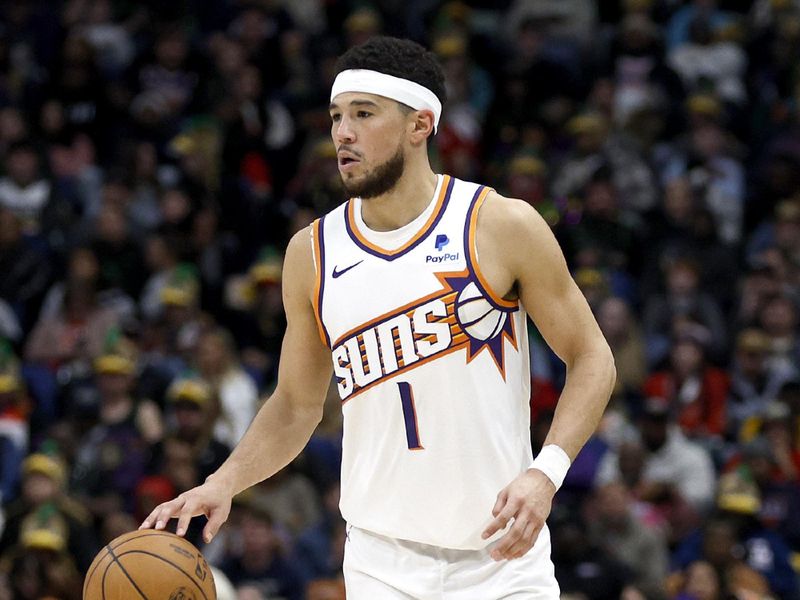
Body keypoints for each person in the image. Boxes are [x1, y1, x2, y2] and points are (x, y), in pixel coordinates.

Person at [140, 36, 615, 598]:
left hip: (503, 561)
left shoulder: (498, 225)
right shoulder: (312, 254)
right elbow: (296, 405)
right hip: (379, 565)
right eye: (337, 116)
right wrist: (223, 483)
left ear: (420, 125)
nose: (343, 132)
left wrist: (546, 473)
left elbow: (592, 358)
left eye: (364, 114)